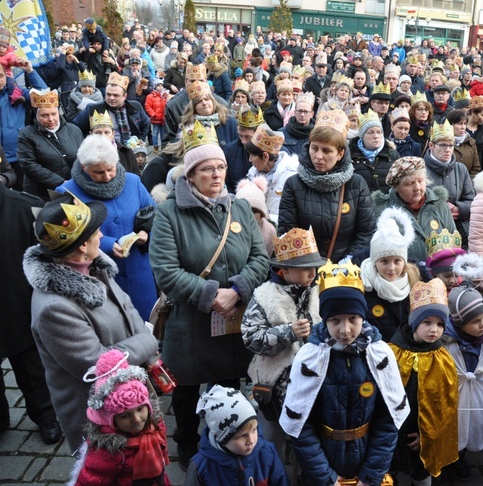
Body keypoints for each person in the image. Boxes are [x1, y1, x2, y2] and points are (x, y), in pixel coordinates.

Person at [149, 121, 270, 469]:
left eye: (220, 167)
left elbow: (260, 257)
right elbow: (165, 271)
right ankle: (187, 442)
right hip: (189, 322)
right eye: (206, 169)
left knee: (228, 386)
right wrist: (211, 294)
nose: (216, 175)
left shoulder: (240, 208)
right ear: (190, 174)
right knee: (186, 391)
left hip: (231, 322)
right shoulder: (169, 213)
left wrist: (238, 290)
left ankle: (228, 440)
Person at [23, 193, 159, 452]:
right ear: (82, 246)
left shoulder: (94, 268)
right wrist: (148, 342)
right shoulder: (54, 308)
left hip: (128, 401)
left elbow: (127, 308)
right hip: (102, 418)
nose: (100, 235)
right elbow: (97, 364)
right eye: (95, 231)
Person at [279, 260, 409, 486]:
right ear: (324, 319)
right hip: (324, 466)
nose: (345, 329)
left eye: (353, 319)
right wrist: (326, 478)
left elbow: (388, 422)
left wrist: (369, 476)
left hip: (366, 462)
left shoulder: (379, 355)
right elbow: (302, 427)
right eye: (335, 320)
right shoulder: (310, 358)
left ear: (363, 317)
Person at [241, 227, 326, 457]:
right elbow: (250, 337)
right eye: (304, 269)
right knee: (271, 439)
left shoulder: (318, 291)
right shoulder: (264, 295)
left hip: (313, 382)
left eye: (313, 268)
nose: (311, 273)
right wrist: (288, 332)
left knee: (310, 440)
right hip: (274, 386)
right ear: (284, 270)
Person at [56, 135, 157, 322]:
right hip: (98, 274)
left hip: (139, 271)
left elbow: (153, 215)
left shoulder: (133, 181)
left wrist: (146, 233)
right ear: (84, 168)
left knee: (148, 328)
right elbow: (70, 237)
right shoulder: (67, 191)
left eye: (110, 169)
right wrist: (109, 244)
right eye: (98, 173)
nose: (107, 176)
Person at [0, 183, 61, 445]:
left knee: (30, 366)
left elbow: (47, 260)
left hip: (18, 303)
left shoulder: (24, 207)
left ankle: (45, 416)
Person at [278, 109, 375, 263]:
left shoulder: (356, 184)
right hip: (305, 270)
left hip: (346, 271)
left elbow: (366, 231)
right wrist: (309, 267)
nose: (318, 156)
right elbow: (287, 232)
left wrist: (348, 262)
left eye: (327, 151)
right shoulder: (293, 184)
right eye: (314, 148)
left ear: (340, 154)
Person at [389, 279, 459, 486]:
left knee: (421, 476)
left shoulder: (442, 358)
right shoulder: (392, 352)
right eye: (426, 322)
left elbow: (446, 407)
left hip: (420, 435)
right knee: (386, 474)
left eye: (439, 324)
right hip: (391, 433)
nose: (434, 330)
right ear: (414, 322)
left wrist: (428, 437)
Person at [70, 350, 169, 485]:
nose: (137, 419)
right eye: (124, 416)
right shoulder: (108, 452)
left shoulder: (156, 424)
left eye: (140, 409)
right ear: (110, 419)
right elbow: (90, 480)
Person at [444, 284, 483, 481]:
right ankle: (449, 458)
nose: (482, 324)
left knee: (473, 425)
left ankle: (462, 456)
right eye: (475, 321)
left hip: (477, 393)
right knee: (453, 427)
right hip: (454, 395)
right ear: (460, 324)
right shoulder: (448, 344)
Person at [187, 385, 289, 486]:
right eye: (242, 436)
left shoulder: (267, 452)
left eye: (254, 430)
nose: (251, 440)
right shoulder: (201, 466)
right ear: (221, 438)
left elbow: (280, 481)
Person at [372, 156, 456, 262]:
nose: (417, 188)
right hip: (403, 275)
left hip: (437, 275)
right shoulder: (384, 211)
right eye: (410, 183)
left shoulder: (439, 205)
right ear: (397, 187)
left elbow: (453, 242)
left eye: (421, 181)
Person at [361, 208, 420, 342]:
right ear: (375, 261)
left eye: (397, 261)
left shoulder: (415, 282)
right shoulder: (364, 285)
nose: (391, 268)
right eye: (384, 261)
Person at [18, 89, 83, 200]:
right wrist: (61, 182)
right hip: (42, 193)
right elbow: (28, 164)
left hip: (73, 189)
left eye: (54, 114)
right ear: (36, 116)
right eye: (45, 115)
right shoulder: (26, 134)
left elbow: (83, 157)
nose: (51, 119)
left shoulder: (74, 130)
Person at [424, 121, 475, 248]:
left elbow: (471, 200)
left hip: (458, 230)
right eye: (442, 145)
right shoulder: (420, 168)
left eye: (451, 145)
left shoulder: (460, 169)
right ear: (431, 145)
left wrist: (460, 209)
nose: (448, 150)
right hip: (429, 231)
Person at [73, 72, 151, 143]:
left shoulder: (135, 107)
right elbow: (74, 128)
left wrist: (140, 140)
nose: (111, 98)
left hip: (131, 153)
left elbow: (146, 123)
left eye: (116, 95)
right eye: (108, 94)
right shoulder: (93, 109)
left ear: (125, 96)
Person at [350, 109, 399, 194]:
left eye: (379, 132)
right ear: (362, 136)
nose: (376, 136)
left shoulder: (392, 155)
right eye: (370, 132)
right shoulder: (351, 156)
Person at [181, 81, 239, 148]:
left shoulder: (229, 122)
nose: (204, 103)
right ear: (193, 107)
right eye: (199, 101)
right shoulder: (188, 125)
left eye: (206, 99)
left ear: (213, 101)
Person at [279, 92, 315, 157]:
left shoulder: (317, 134)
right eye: (300, 111)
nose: (302, 115)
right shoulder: (282, 133)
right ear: (295, 112)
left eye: (306, 111)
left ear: (312, 114)